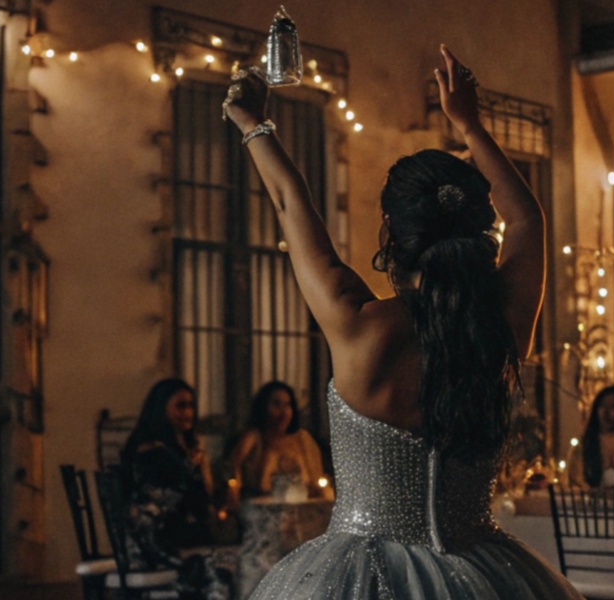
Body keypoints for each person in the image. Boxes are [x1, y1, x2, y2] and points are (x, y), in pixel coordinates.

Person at [224, 46, 581, 598]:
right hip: (486, 570)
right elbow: (527, 218)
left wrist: (255, 124)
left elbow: (288, 203)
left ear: (389, 233)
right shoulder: (501, 326)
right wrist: (469, 123)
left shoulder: (355, 321)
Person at [118, 378, 230, 599]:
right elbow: (194, 502)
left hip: (171, 534)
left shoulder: (181, 447)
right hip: (156, 544)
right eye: (180, 406)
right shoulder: (153, 451)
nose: (188, 412)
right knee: (228, 563)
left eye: (190, 405)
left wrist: (200, 464)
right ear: (161, 408)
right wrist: (193, 467)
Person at [226, 381, 326, 501]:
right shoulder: (255, 437)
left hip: (302, 506)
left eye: (287, 405)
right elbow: (233, 468)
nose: (284, 413)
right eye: (276, 404)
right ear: (263, 408)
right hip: (263, 509)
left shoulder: (303, 438)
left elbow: (316, 480)